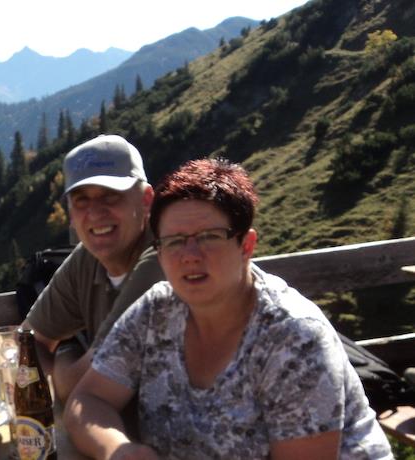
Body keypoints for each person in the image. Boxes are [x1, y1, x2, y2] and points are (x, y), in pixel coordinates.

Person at [64, 158, 392, 459]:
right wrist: (119, 450)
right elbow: (87, 400)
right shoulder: (157, 311)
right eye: (174, 241)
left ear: (246, 245)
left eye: (209, 237)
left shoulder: (294, 338)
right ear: (159, 253)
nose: (190, 255)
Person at [22, 134, 164, 402]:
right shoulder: (88, 256)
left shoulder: (161, 260)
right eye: (81, 200)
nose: (96, 213)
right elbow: (26, 343)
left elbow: (80, 386)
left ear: (146, 200)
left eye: (111, 196)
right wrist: (63, 373)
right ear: (70, 213)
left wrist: (64, 351)